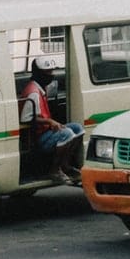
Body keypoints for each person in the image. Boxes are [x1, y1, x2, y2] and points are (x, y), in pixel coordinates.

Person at [20, 57, 85, 185]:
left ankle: (65, 165)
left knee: (78, 128)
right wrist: (50, 122)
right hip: (39, 137)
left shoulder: (40, 88)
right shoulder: (33, 92)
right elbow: (26, 118)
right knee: (67, 134)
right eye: (47, 72)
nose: (51, 75)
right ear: (39, 73)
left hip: (47, 131)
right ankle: (55, 170)